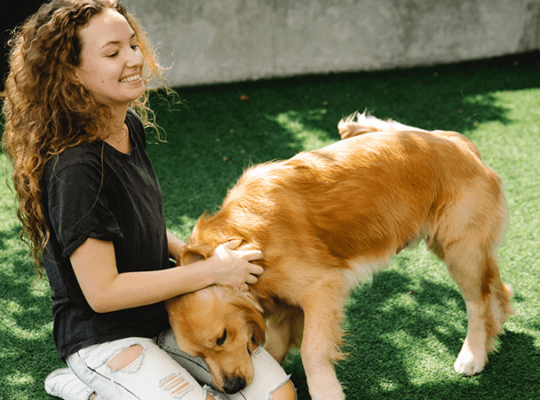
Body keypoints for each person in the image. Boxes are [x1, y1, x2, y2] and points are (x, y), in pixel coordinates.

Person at [1, 1, 297, 399]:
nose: (133, 59)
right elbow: (103, 293)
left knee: (280, 396)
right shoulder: (76, 169)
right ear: (71, 73)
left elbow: (143, 227)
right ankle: (86, 387)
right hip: (102, 336)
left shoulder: (128, 126)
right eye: (112, 52)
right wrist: (211, 273)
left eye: (133, 45)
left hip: (162, 314)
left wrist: (199, 254)